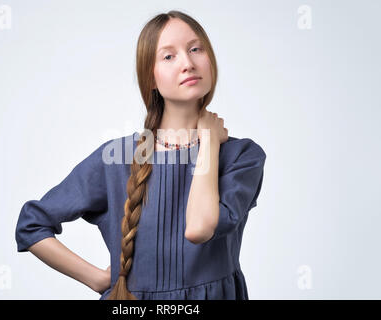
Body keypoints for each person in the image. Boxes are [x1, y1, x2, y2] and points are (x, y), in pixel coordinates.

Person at [15, 10, 266, 300]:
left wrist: (208, 142)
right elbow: (31, 224)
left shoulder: (241, 156)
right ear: (151, 78)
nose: (187, 63)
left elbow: (198, 228)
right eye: (169, 56)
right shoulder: (117, 157)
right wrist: (97, 278)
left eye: (195, 49)